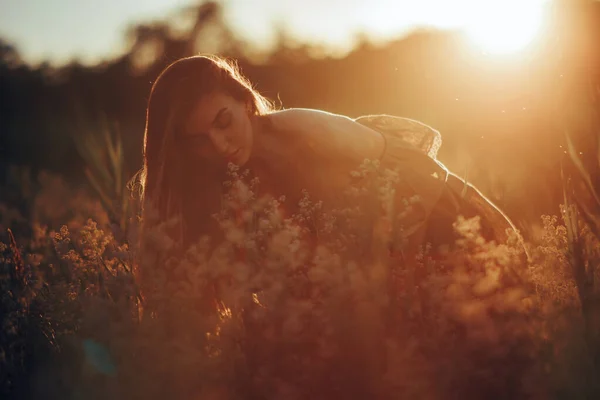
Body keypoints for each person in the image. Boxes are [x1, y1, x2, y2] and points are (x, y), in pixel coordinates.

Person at [139, 54, 525, 262]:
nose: (220, 144)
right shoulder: (223, 180)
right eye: (201, 139)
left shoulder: (304, 130)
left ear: (244, 102)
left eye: (223, 122)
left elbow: (414, 170)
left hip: (438, 229)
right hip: (366, 282)